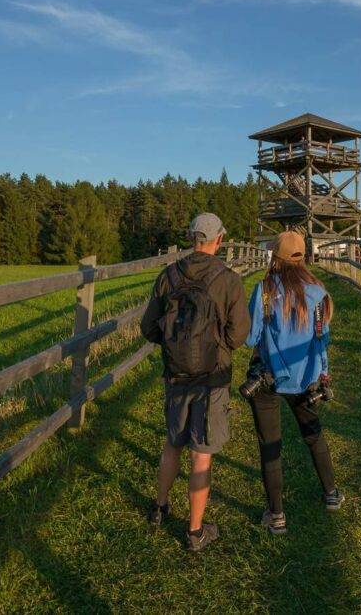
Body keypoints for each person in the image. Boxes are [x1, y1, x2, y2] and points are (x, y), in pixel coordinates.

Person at [140, 212, 251, 551]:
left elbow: (148, 328)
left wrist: (176, 344)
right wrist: (215, 346)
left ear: (192, 238)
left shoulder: (168, 275)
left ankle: (159, 508)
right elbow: (239, 334)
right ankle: (194, 532)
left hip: (176, 376)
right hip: (212, 379)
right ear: (218, 239)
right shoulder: (228, 280)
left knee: (172, 443)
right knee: (201, 455)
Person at [244, 231, 343, 535]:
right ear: (303, 256)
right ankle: (331, 494)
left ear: (275, 255)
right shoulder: (318, 293)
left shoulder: (263, 291)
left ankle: (276, 516)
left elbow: (251, 338)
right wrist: (323, 373)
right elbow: (321, 340)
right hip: (307, 380)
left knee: (270, 445)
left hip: (269, 379)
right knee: (313, 435)